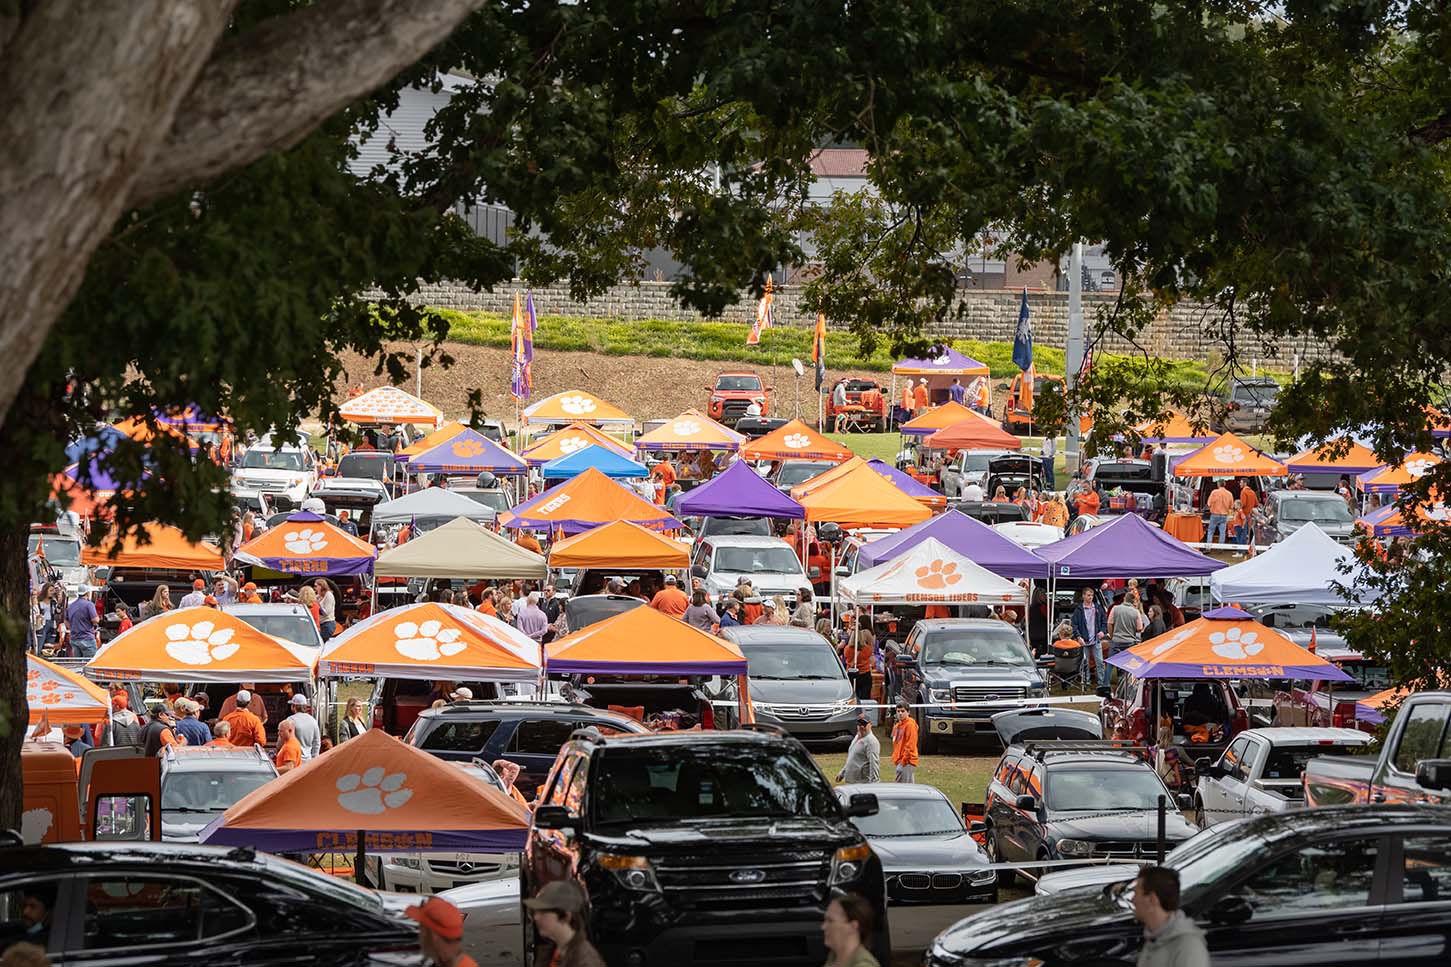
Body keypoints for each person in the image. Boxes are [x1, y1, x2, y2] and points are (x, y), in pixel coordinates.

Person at [1132, 867, 1209, 967]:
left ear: (1152, 899)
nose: (1133, 900)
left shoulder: (1188, 946)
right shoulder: (1154, 938)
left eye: (1136, 894)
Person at [523, 881, 606, 967]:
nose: (536, 917)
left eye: (543, 913)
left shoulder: (585, 961)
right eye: (536, 912)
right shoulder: (552, 952)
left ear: (566, 916)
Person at [821, 893, 880, 967]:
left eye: (830, 921)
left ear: (853, 927)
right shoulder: (835, 956)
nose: (823, 927)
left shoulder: (865, 965)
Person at [1071, 587, 1110, 689]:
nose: (1090, 597)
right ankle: (1086, 682)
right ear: (1083, 596)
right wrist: (1078, 637)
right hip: (1084, 640)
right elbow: (1074, 625)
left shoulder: (1097, 608)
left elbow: (1104, 621)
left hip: (1096, 639)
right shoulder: (1079, 610)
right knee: (1085, 663)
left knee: (1100, 662)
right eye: (1088, 595)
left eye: (1092, 595)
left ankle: (1101, 683)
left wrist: (1102, 631)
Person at [836, 716, 880, 783]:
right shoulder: (857, 737)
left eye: (864, 724)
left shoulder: (871, 741)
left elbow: (874, 764)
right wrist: (842, 772)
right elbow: (852, 757)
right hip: (852, 781)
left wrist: (874, 784)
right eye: (859, 725)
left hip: (862, 783)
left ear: (870, 725)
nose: (861, 727)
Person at [285, 693, 322, 760]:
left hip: (294, 760)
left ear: (294, 706)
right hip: (308, 760)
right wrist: (314, 758)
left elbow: (283, 740)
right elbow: (317, 743)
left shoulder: (290, 720)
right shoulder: (313, 721)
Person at [64, 588, 98, 659]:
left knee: (78, 664)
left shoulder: (71, 605)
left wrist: (73, 628)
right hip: (87, 638)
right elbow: (95, 620)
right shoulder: (89, 605)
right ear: (88, 593)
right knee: (89, 663)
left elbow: (66, 621)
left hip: (74, 639)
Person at [890, 700, 918, 783]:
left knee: (901, 788)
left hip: (907, 761)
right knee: (908, 787)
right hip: (900, 761)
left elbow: (910, 745)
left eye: (903, 711)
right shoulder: (897, 726)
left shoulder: (910, 725)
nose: (900, 713)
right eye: (898, 711)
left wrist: (903, 762)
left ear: (908, 712)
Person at [1205, 479, 1234, 544]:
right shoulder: (1229, 493)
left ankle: (1208, 547)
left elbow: (1209, 504)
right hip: (1224, 515)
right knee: (1222, 532)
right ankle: (1221, 547)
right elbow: (1231, 506)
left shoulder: (1214, 492)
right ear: (1225, 484)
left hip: (1214, 514)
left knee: (1210, 531)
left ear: (1218, 484)